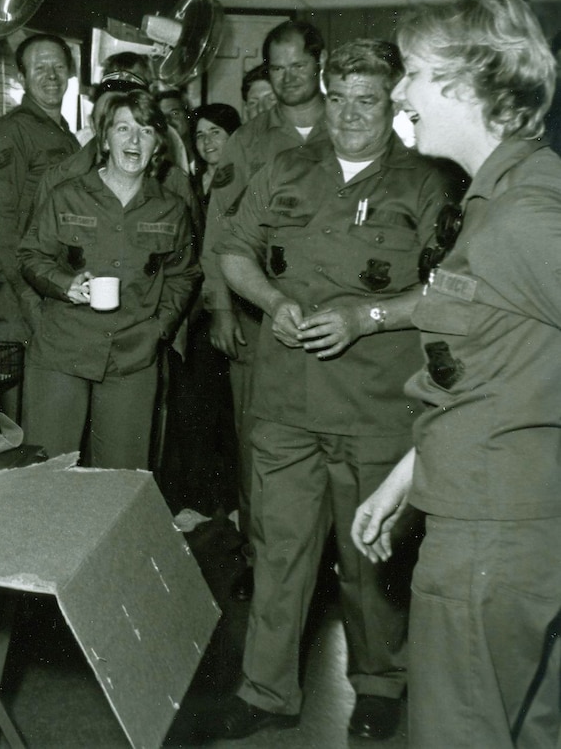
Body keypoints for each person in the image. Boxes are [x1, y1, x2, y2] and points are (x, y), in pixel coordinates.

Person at [208, 38, 462, 741]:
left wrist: (365, 315)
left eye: (367, 101)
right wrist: (269, 299)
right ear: (325, 93)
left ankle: (379, 682)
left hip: (376, 408)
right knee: (278, 551)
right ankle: (263, 691)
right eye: (340, 98)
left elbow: (449, 291)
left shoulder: (425, 184)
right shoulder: (282, 170)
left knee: (367, 558)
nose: (350, 115)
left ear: (392, 105)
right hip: (286, 403)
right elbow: (231, 251)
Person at [351, 0, 561, 749]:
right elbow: (501, 364)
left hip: (489, 538)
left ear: (469, 80)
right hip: (516, 518)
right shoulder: (508, 196)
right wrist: (405, 475)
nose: (398, 92)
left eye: (409, 71)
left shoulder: (520, 220)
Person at [200, 20, 331, 602]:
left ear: (319, 63)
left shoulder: (350, 125)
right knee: (258, 441)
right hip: (260, 319)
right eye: (276, 68)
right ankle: (260, 555)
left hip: (336, 318)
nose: (288, 77)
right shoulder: (248, 141)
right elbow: (219, 231)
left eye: (298, 65)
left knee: (332, 438)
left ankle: (328, 558)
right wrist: (222, 308)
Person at [17, 90, 201, 470]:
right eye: (123, 128)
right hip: (61, 352)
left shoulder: (172, 209)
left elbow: (184, 276)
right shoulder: (66, 196)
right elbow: (31, 255)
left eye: (146, 131)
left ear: (157, 145)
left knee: (121, 478)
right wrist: (62, 283)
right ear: (105, 140)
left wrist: (159, 328)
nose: (134, 140)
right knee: (47, 473)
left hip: (132, 359)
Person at [0, 34, 79, 419]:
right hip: (21, 286)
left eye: (57, 66)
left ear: (70, 73)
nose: (51, 75)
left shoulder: (65, 134)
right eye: (39, 67)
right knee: (19, 392)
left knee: (50, 396)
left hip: (55, 282)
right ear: (22, 77)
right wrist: (27, 293)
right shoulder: (13, 131)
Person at [157, 102, 243, 515]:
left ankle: (222, 499)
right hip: (194, 306)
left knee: (221, 405)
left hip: (227, 304)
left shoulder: (243, 181)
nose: (208, 142)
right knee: (193, 404)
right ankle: (199, 498)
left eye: (217, 134)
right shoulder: (191, 182)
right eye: (201, 135)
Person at [156, 86, 196, 173]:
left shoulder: (205, 156)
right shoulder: (157, 168)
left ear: (188, 116)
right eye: (162, 116)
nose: (167, 120)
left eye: (174, 113)